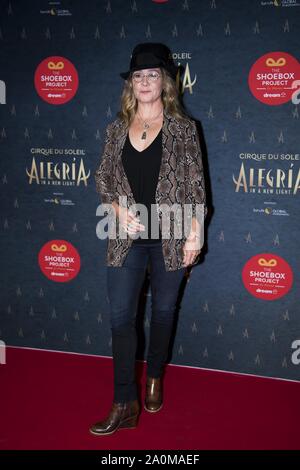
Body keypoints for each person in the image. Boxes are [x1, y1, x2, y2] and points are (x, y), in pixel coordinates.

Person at [90, 42, 207, 436]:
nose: (144, 82)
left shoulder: (184, 130)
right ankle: (124, 402)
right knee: (121, 317)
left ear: (165, 83)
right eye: (138, 76)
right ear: (131, 84)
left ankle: (154, 374)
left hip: (172, 236)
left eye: (152, 75)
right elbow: (103, 179)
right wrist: (120, 209)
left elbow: (196, 187)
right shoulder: (114, 129)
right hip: (125, 238)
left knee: (162, 313)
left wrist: (195, 235)